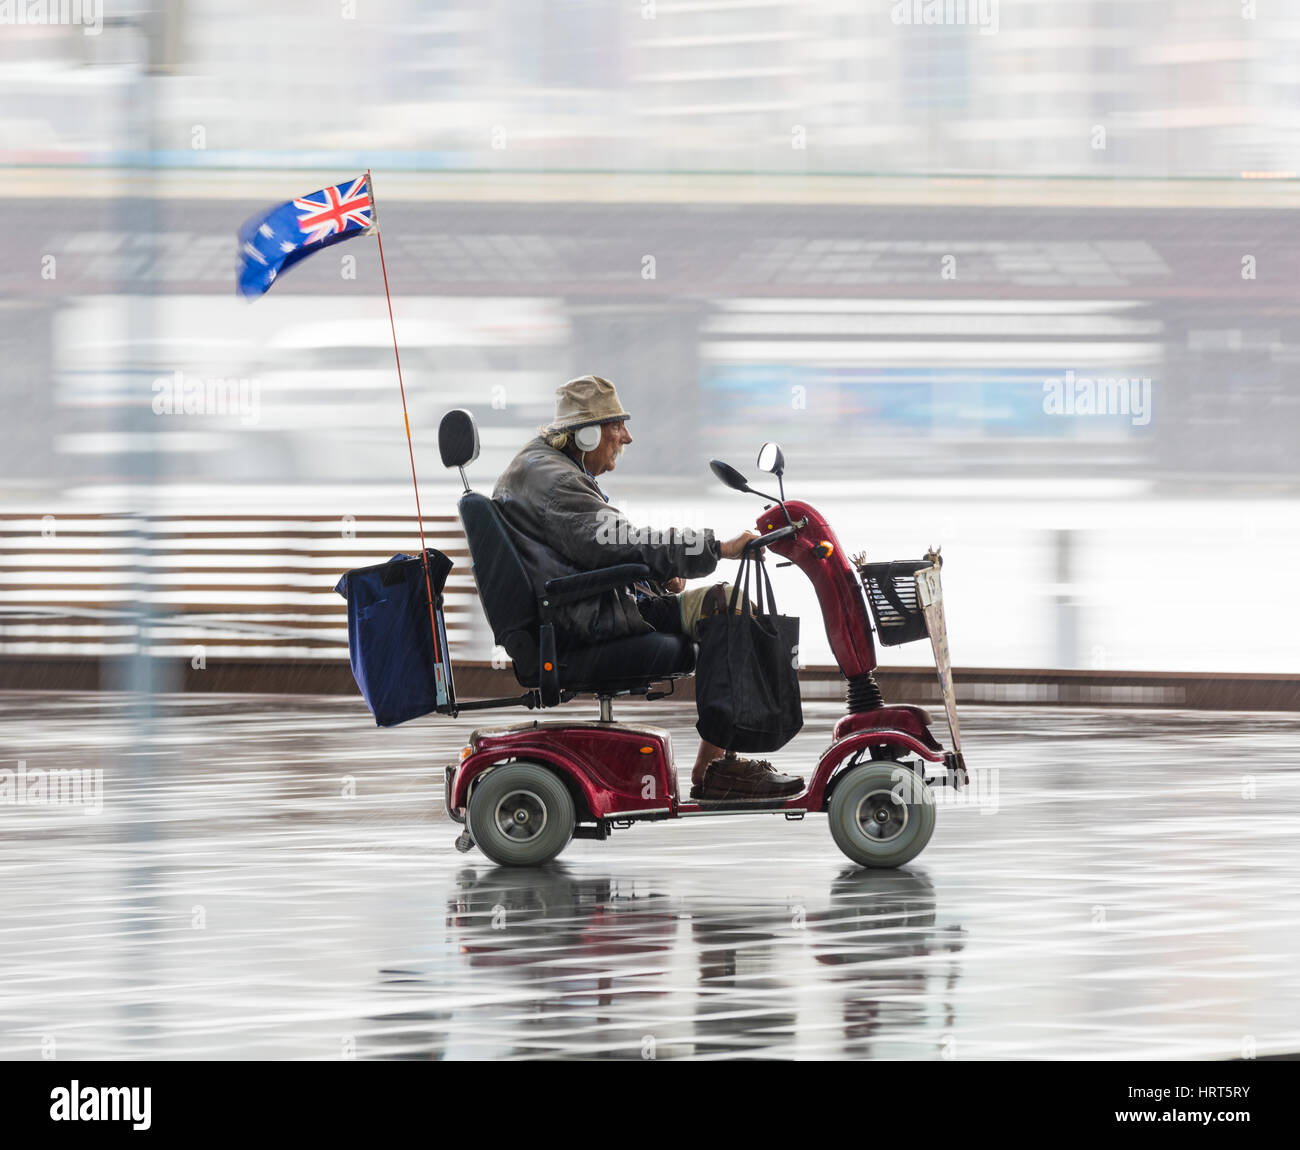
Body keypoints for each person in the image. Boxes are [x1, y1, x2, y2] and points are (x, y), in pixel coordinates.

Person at [493, 375, 803, 800]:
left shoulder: (542, 468)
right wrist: (719, 547)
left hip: (590, 606)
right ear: (585, 432)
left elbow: (595, 548)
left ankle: (717, 766)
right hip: (587, 617)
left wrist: (653, 575)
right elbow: (622, 540)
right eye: (616, 425)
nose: (628, 436)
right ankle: (716, 770)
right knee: (727, 604)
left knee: (725, 602)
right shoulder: (558, 483)